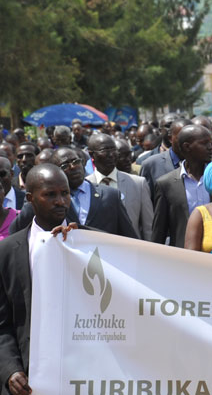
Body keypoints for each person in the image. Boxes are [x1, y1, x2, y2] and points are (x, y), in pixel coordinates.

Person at [0, 164, 82, 395]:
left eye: (65, 193)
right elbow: (2, 324)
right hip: (29, 379)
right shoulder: (7, 252)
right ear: (30, 198)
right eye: (50, 195)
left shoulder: (92, 243)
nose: (60, 201)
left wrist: (82, 242)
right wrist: (10, 369)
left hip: (84, 374)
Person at [10, 148, 138, 238]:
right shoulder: (44, 201)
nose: (73, 167)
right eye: (65, 165)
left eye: (76, 162)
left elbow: (129, 237)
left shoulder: (110, 195)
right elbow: (17, 233)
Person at [152, 125, 212, 247]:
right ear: (187, 147)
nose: (210, 148)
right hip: (183, 257)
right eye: (204, 143)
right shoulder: (166, 184)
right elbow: (159, 232)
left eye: (211, 143)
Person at [86, 134, 153, 240]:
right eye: (105, 150)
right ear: (92, 154)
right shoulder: (86, 186)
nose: (111, 154)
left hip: (131, 251)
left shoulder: (138, 184)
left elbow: (148, 227)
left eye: (113, 150)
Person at [140, 118, 191, 201]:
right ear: (171, 138)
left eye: (190, 138)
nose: (186, 143)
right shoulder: (151, 165)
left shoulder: (203, 164)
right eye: (181, 137)